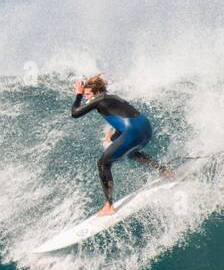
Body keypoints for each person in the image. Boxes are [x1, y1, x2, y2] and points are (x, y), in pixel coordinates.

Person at [70, 73, 172, 216]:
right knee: (130, 152)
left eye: (88, 94)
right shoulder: (109, 96)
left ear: (96, 91)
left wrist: (78, 95)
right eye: (85, 94)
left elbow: (75, 113)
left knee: (102, 163)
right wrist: (113, 136)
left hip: (133, 133)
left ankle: (109, 206)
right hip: (145, 129)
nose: (87, 97)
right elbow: (125, 117)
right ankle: (165, 170)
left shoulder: (97, 99)